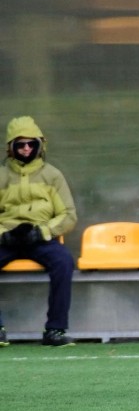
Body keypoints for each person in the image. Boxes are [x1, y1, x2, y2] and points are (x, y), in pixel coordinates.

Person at [0, 116, 77, 347]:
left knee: (64, 262)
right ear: (10, 147)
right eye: (20, 144)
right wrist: (4, 234)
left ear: (40, 145)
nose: (26, 149)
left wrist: (42, 232)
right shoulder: (1, 175)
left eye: (31, 144)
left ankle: (55, 330)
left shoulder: (52, 175)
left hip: (40, 238)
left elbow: (69, 215)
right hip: (6, 238)